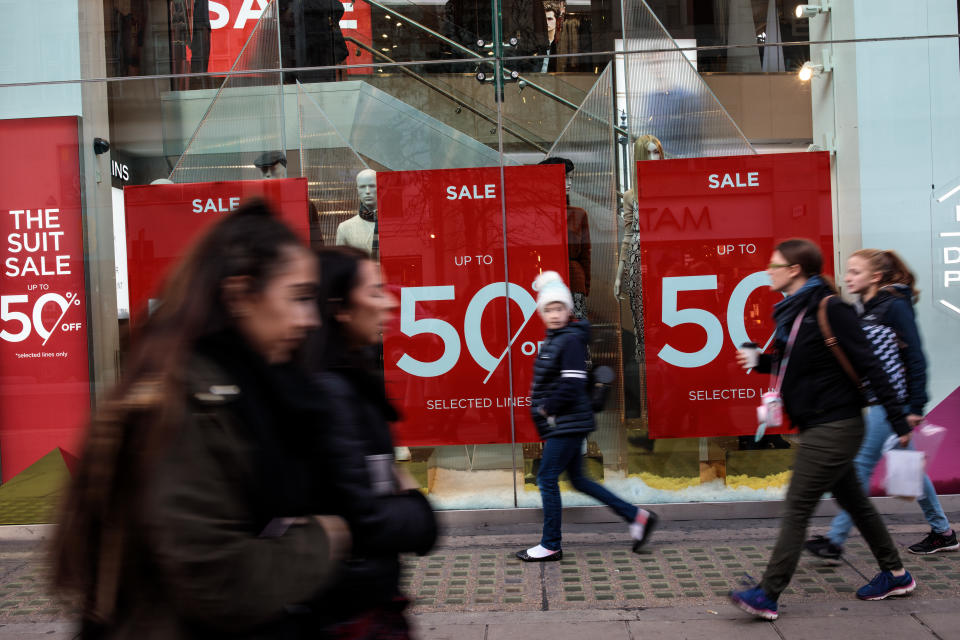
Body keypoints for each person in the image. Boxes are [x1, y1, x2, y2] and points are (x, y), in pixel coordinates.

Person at [52, 200, 350, 638]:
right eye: (299, 297)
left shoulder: (252, 386)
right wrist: (323, 540)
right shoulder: (183, 401)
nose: (309, 319)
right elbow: (215, 577)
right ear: (239, 295)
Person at [729, 239, 917, 621]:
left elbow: (871, 365)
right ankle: (896, 573)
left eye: (774, 264)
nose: (769, 270)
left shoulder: (831, 308)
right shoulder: (795, 312)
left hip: (836, 423)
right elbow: (800, 366)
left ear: (795, 270)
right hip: (821, 421)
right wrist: (761, 361)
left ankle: (767, 593)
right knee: (856, 502)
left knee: (797, 505)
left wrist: (900, 421)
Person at [312, 246, 438, 638]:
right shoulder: (333, 390)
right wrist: (419, 513)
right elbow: (361, 515)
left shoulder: (350, 377)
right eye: (375, 291)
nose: (389, 302)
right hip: (350, 607)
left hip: (363, 599)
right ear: (341, 308)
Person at [805, 249, 956, 560]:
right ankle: (943, 532)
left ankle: (835, 540)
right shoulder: (866, 308)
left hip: (892, 404)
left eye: (855, 272)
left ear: (875, 277)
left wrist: (915, 406)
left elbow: (915, 356)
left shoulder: (894, 306)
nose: (847, 278)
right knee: (910, 468)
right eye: (847, 272)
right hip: (881, 402)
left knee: (860, 468)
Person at [516, 271, 657, 562]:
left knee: (546, 477)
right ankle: (637, 517)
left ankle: (551, 543)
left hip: (566, 422)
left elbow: (572, 382)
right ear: (541, 312)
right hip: (568, 420)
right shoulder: (558, 339)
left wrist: (546, 408)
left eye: (559, 308)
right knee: (579, 480)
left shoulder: (569, 340)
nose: (554, 314)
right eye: (548, 309)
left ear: (568, 310)